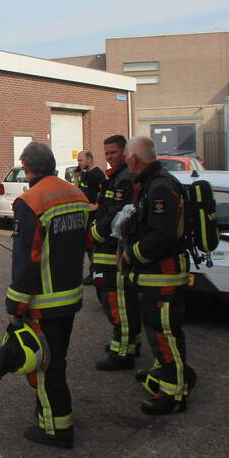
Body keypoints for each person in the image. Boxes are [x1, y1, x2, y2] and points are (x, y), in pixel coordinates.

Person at [6, 142, 89, 449]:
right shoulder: (77, 194)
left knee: (45, 366)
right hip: (71, 296)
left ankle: (56, 429)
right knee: (59, 360)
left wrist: (15, 303)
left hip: (44, 301)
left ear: (27, 167)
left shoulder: (31, 201)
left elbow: (27, 258)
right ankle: (54, 416)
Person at [120, 135, 195, 415]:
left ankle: (174, 394)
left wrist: (131, 254)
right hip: (153, 275)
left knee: (165, 333)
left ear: (133, 159)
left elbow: (163, 235)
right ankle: (169, 375)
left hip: (163, 275)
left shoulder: (160, 187)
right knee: (158, 332)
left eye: (127, 156)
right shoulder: (153, 183)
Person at [89, 135, 142, 371]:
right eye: (107, 153)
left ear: (125, 152)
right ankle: (131, 342)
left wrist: (95, 233)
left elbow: (117, 213)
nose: (109, 157)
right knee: (122, 300)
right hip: (109, 249)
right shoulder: (116, 177)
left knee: (116, 301)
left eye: (114, 153)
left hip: (113, 250)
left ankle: (122, 354)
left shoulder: (124, 179)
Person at [75, 150, 105, 286]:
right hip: (85, 215)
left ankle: (96, 273)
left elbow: (105, 192)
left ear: (89, 159)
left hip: (95, 217)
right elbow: (79, 191)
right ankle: (92, 272)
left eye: (81, 160)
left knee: (94, 246)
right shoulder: (84, 174)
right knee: (87, 246)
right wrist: (76, 177)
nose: (79, 163)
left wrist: (97, 205)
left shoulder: (98, 174)